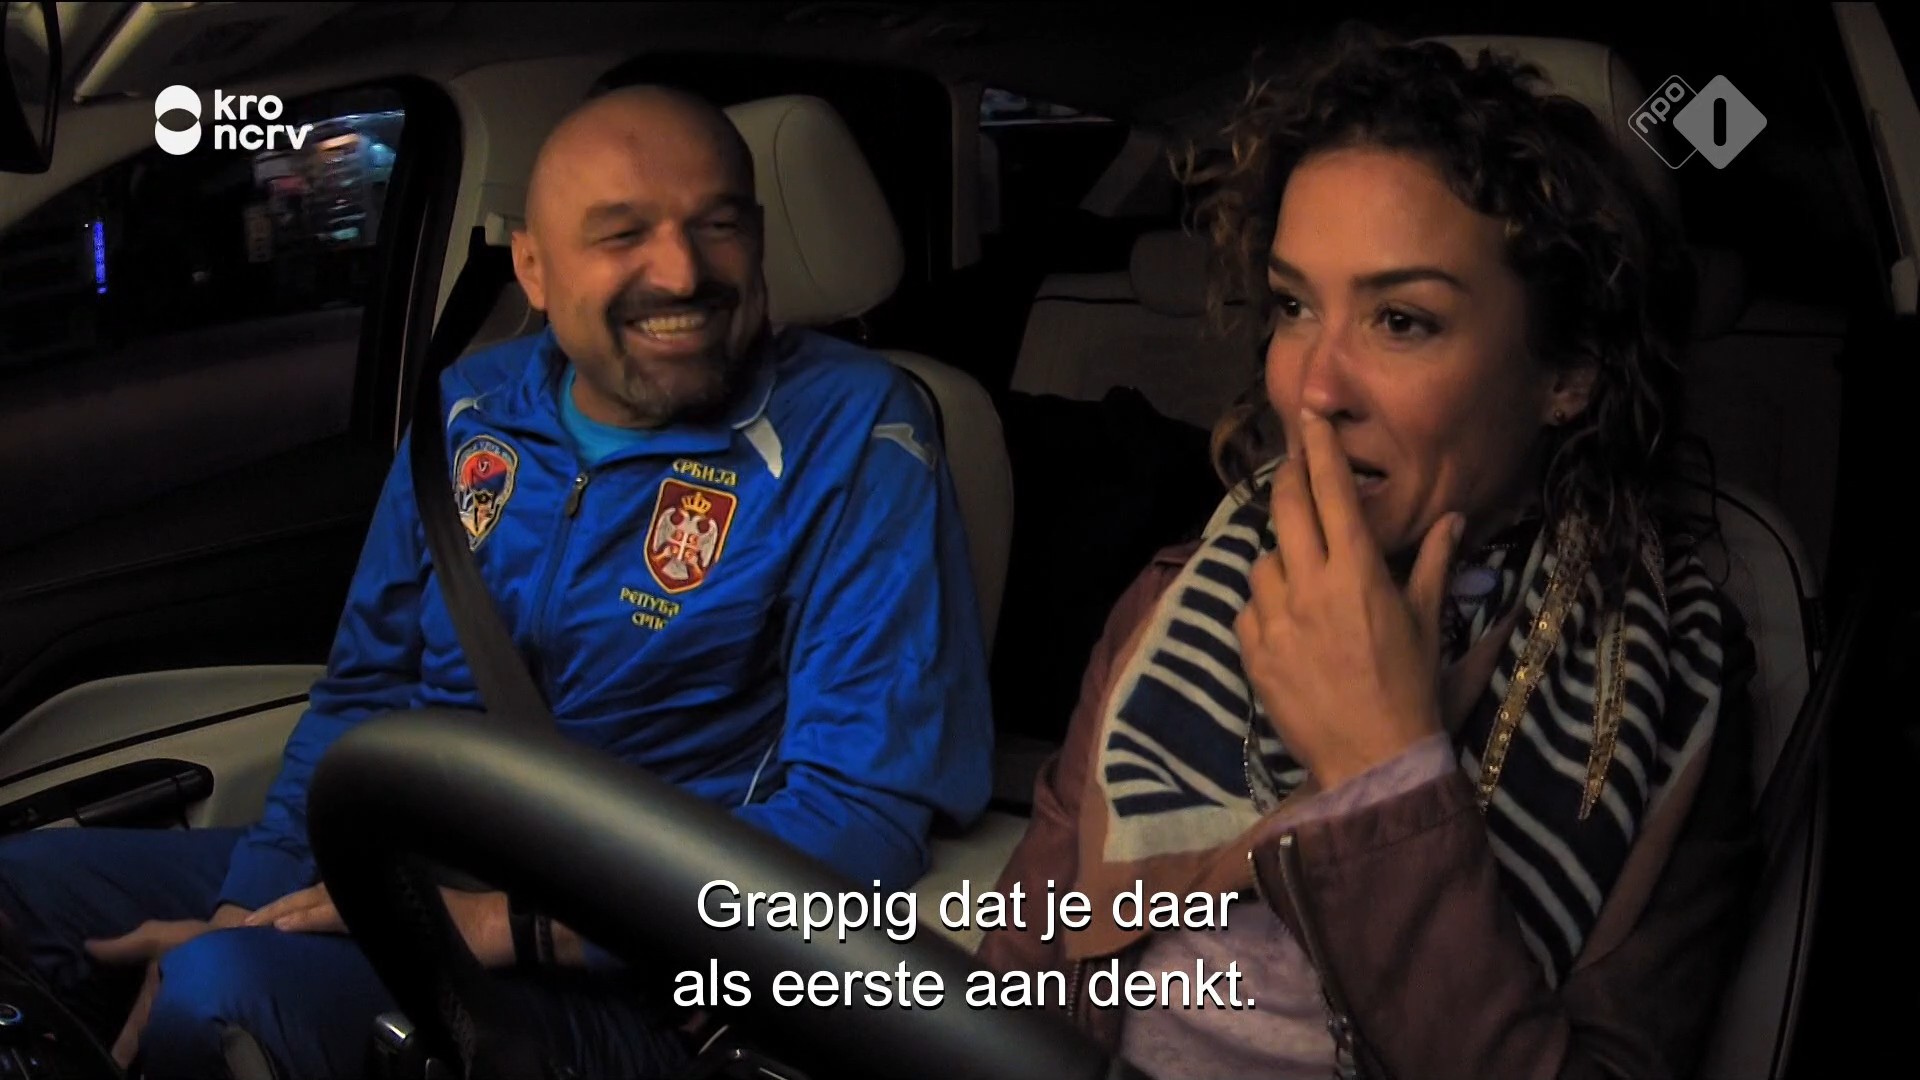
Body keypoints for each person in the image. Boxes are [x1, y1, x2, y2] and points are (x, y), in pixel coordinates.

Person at [0, 84, 994, 1080]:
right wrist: (248, 904)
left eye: (718, 225)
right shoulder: (472, 408)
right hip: (408, 865)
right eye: (623, 234)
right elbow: (365, 692)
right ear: (533, 267)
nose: (683, 271)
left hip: (635, 959)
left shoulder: (857, 432)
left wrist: (507, 925)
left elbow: (861, 815)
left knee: (224, 994)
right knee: (19, 895)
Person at [975, 27, 1760, 1080]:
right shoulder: (1177, 596)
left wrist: (1384, 776)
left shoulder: (1678, 691)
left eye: (1401, 320)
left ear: (1567, 373)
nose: (1311, 389)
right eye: (1295, 305)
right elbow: (1022, 983)